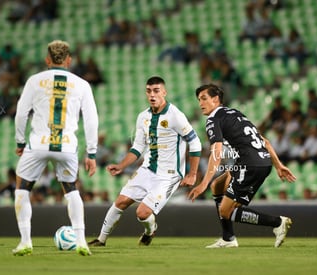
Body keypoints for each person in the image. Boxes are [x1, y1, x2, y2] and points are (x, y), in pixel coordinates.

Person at [88, 76, 202, 247]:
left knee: (142, 213)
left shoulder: (176, 116)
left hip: (168, 176)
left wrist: (192, 174)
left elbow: (195, 142)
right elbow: (138, 147)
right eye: (149, 91)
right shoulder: (143, 117)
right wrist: (121, 166)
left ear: (164, 92)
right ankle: (101, 239)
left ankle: (150, 230)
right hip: (147, 170)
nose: (152, 95)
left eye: (156, 91)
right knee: (120, 202)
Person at [12, 40, 98, 256]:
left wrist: (20, 142)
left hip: (39, 143)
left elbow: (21, 114)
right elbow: (91, 120)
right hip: (67, 145)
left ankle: (25, 241)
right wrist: (92, 152)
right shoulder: (82, 84)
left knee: (22, 188)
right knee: (71, 189)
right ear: (69, 60)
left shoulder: (34, 81)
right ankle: (81, 241)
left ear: (47, 60)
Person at [188, 83, 295, 248]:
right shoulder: (236, 114)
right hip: (258, 161)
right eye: (199, 100)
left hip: (250, 164)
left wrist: (203, 183)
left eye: (204, 98)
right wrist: (278, 165)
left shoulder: (213, 119)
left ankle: (277, 222)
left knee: (226, 211)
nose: (200, 103)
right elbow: (264, 141)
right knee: (217, 186)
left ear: (216, 99)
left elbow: (217, 152)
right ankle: (228, 239)